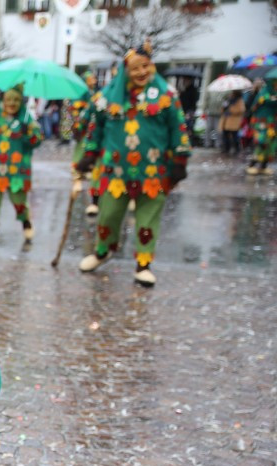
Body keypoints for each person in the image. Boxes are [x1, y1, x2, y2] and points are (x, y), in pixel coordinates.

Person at [75, 41, 190, 287]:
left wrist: (180, 159)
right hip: (115, 171)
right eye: (136, 68)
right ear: (126, 70)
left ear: (153, 67)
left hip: (153, 171)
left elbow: (178, 127)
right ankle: (102, 251)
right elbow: (96, 128)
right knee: (108, 215)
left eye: (145, 66)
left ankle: (143, 265)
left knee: (148, 219)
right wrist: (89, 154)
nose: (141, 73)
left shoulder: (167, 96)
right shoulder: (107, 97)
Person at [0, 85, 42, 248]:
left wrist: (28, 133)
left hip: (16, 169)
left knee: (18, 200)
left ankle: (26, 223)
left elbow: (36, 141)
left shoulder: (26, 119)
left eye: (16, 100)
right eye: (9, 99)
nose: (12, 103)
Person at [66, 72, 101, 216]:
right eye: (91, 78)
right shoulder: (80, 94)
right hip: (84, 129)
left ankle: (92, 183)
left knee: (93, 157)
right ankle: (77, 179)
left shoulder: (95, 94)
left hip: (93, 130)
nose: (94, 80)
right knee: (80, 153)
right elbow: (75, 110)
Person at [245, 78, 276, 175]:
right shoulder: (264, 92)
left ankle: (263, 166)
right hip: (261, 123)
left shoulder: (273, 93)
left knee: (270, 144)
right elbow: (256, 105)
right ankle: (251, 165)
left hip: (272, 124)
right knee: (261, 143)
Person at [220, 91, 246, 155]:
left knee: (235, 136)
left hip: (234, 121)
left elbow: (241, 110)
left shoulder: (239, 101)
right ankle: (226, 148)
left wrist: (231, 110)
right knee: (225, 136)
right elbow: (223, 110)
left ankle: (237, 149)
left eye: (232, 93)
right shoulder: (228, 100)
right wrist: (224, 106)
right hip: (226, 121)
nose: (230, 94)